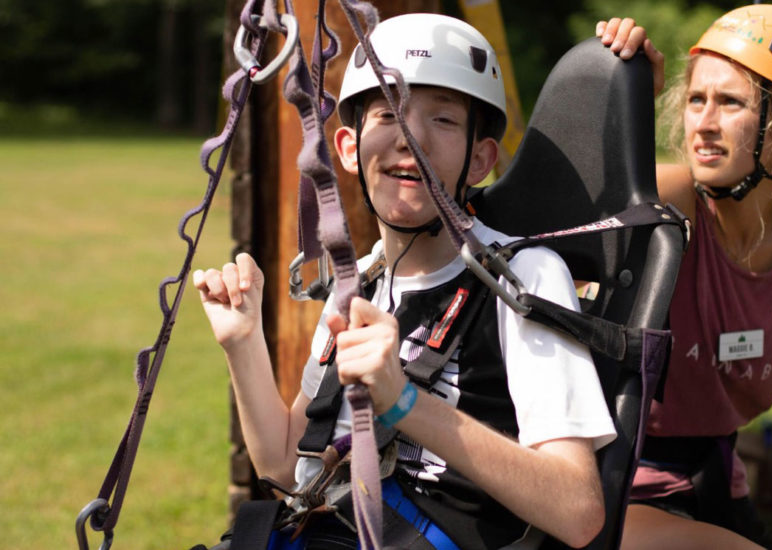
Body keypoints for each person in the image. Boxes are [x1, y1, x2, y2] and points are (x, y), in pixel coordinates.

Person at [194, 13, 652, 549]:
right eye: (389, 112)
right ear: (347, 148)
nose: (411, 140)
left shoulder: (523, 278)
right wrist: (242, 343)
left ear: (480, 158)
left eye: (443, 120)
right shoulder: (359, 284)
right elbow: (283, 459)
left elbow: (578, 512)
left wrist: (404, 402)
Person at [599, 6, 772, 549]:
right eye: (695, 100)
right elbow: (572, 196)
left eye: (730, 102)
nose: (703, 124)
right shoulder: (663, 201)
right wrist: (623, 98)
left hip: (719, 482)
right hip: (616, 481)